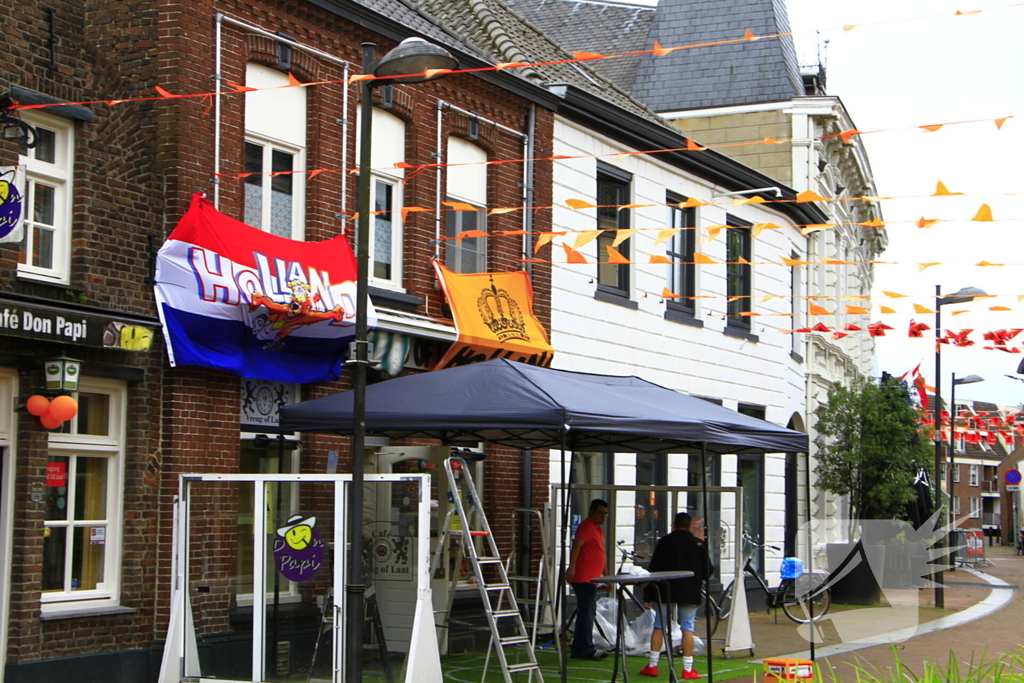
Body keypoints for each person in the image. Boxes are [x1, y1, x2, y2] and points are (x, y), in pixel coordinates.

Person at [639, 512, 712, 680]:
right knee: (687, 628)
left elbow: (653, 570)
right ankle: (687, 668)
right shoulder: (699, 544)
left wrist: (648, 595)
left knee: (659, 626)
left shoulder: (664, 542)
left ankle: (652, 665)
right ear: (690, 526)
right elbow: (708, 571)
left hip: (665, 590)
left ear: (674, 524)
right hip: (690, 591)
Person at [566, 498, 610, 660]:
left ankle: (581, 646)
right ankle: (584, 648)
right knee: (587, 613)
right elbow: (576, 546)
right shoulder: (586, 526)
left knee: (587, 612)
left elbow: (601, 554)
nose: (603, 517)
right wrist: (571, 567)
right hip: (584, 578)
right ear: (591, 512)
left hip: (592, 579)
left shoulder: (599, 530)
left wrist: (607, 577)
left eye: (605, 514)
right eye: (600, 513)